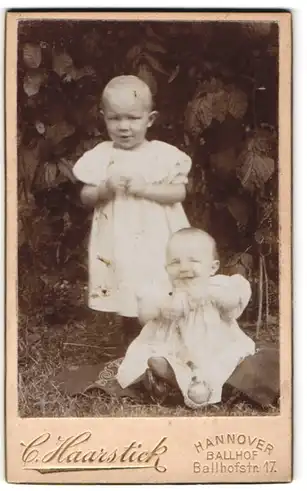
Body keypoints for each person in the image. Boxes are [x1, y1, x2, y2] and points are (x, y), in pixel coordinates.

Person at [73, 75, 191, 339]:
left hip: (157, 236)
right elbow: (86, 196)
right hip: (118, 237)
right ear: (103, 117)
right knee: (126, 281)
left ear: (149, 119)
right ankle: (131, 344)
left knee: (159, 282)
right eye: (115, 119)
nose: (124, 127)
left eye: (133, 118)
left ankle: (166, 339)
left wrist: (146, 189)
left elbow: (179, 192)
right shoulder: (102, 156)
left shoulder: (163, 156)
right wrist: (105, 188)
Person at [117, 228, 256, 408]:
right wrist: (161, 307)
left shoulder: (218, 286)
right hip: (171, 346)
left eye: (194, 261)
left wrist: (207, 294)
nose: (184, 268)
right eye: (175, 262)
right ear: (166, 268)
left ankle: (200, 385)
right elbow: (144, 314)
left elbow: (234, 302)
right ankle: (170, 374)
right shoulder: (163, 289)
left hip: (212, 346)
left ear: (213, 267)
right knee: (149, 356)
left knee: (226, 360)